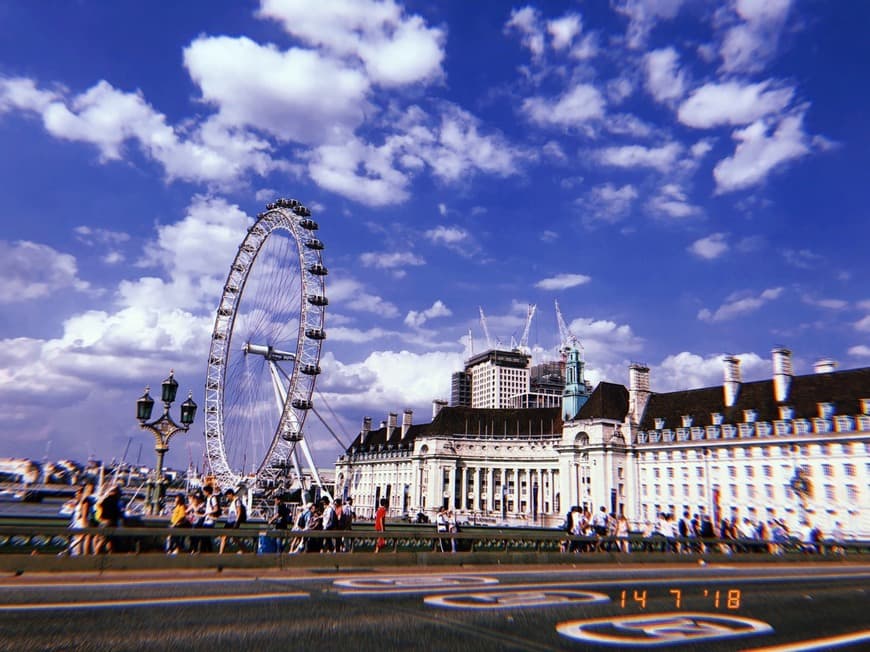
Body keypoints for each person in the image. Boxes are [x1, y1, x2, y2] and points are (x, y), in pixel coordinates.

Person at [219, 488, 245, 554]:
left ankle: (220, 553)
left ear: (231, 494)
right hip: (230, 521)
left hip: (233, 522)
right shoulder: (233, 502)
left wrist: (236, 522)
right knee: (233, 537)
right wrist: (226, 511)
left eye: (228, 496)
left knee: (225, 537)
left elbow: (239, 511)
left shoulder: (237, 501)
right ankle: (243, 549)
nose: (227, 498)